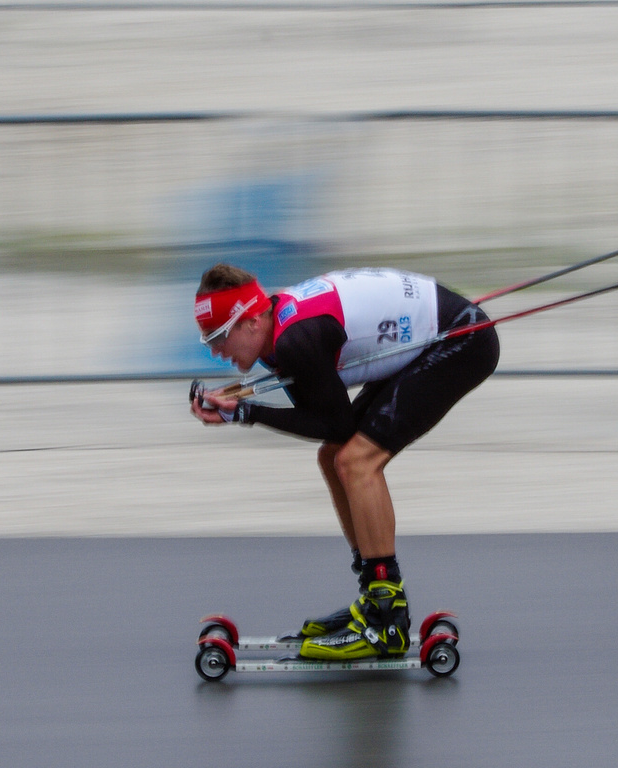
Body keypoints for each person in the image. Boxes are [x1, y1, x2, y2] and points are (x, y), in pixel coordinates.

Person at [189, 263, 499, 659]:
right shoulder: (278, 333)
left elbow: (333, 423)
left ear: (251, 321)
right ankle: (376, 597)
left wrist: (245, 414)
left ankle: (386, 620)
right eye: (208, 342)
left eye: (218, 338)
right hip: (439, 329)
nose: (215, 352)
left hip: (461, 340)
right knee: (335, 456)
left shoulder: (294, 340)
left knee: (356, 461)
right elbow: (328, 425)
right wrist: (243, 408)